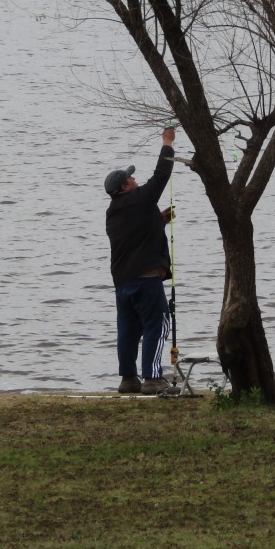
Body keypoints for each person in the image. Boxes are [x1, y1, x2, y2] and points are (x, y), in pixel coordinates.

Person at [104, 126, 177, 395]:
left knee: (128, 330)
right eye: (132, 179)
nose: (136, 181)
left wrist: (158, 222)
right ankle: (153, 378)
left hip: (123, 283)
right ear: (125, 187)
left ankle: (128, 379)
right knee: (158, 324)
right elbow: (161, 175)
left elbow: (135, 236)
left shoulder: (113, 212)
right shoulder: (140, 199)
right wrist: (167, 143)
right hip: (146, 280)